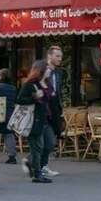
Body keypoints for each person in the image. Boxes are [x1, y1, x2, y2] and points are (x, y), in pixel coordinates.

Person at [16, 59, 53, 183]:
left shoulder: (46, 84)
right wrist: (34, 98)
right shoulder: (30, 84)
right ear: (41, 70)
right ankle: (37, 174)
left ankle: (33, 167)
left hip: (45, 119)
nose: (49, 70)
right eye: (47, 68)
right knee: (37, 148)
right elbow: (19, 100)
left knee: (48, 144)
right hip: (33, 121)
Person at [40, 45, 67, 178]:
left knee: (50, 139)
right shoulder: (40, 69)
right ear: (49, 56)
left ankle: (33, 162)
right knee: (46, 141)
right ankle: (40, 166)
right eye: (57, 56)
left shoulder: (59, 72)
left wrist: (60, 109)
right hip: (43, 108)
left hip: (54, 108)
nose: (60, 59)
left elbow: (57, 92)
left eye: (61, 56)